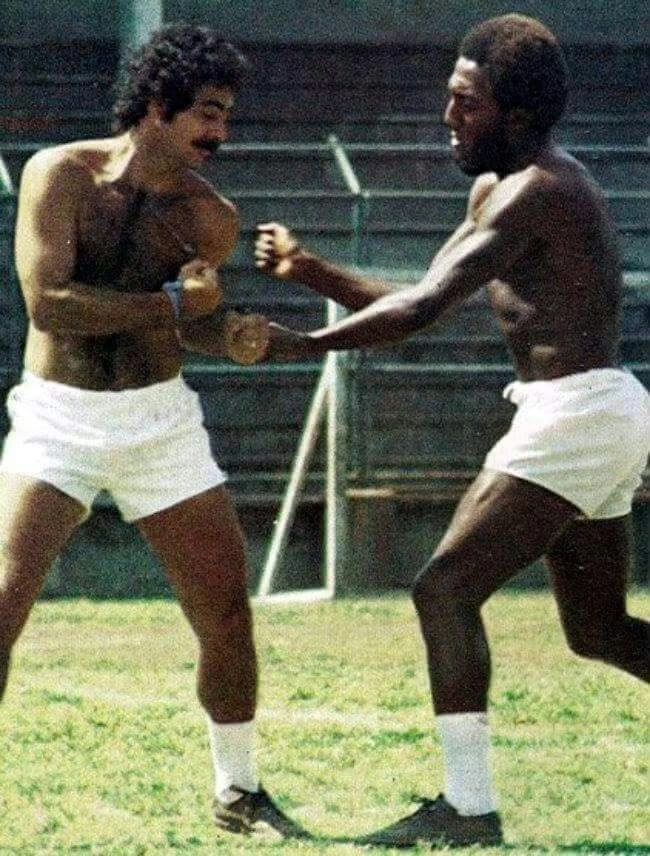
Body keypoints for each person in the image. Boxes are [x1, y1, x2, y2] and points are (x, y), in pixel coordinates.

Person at [255, 13, 650, 848]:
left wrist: (305, 341)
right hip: (588, 412)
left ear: (515, 114)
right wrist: (311, 270)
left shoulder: (542, 188)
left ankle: (468, 810)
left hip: (576, 414)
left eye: (464, 102)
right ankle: (467, 809)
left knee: (443, 589)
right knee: (598, 630)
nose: (448, 116)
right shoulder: (500, 189)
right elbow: (423, 296)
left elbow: (422, 308)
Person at [0, 23, 306, 841]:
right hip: (57, 418)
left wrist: (226, 334)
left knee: (227, 615)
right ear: (158, 105)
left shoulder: (212, 217)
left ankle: (238, 791)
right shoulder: (58, 174)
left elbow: (195, 324)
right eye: (208, 113)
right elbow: (50, 304)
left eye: (228, 116)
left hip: (159, 423)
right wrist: (178, 308)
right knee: (1, 603)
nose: (221, 134)